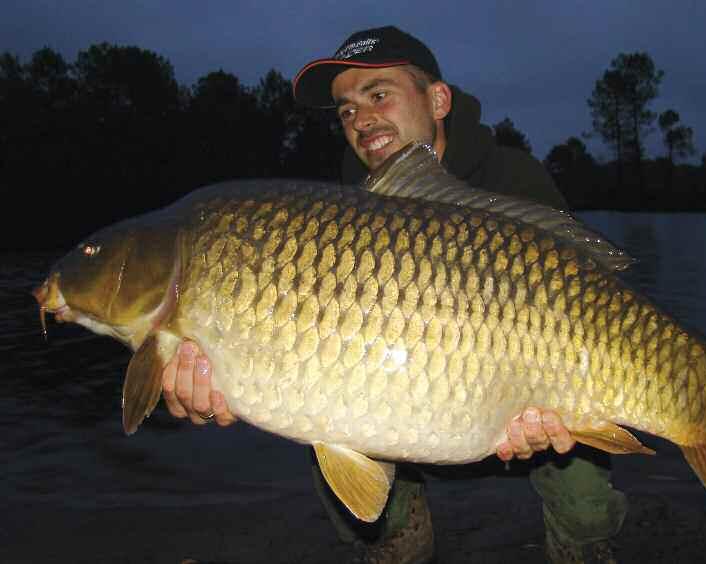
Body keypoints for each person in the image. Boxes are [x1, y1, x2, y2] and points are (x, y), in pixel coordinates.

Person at [162, 26, 626, 564]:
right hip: (403, 406)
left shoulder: (513, 177)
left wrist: (547, 413)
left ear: (438, 99)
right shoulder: (337, 207)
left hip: (522, 390)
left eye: (379, 94)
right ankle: (397, 545)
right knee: (330, 445)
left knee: (585, 493)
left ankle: (585, 549)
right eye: (345, 110)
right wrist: (222, 374)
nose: (360, 119)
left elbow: (592, 302)